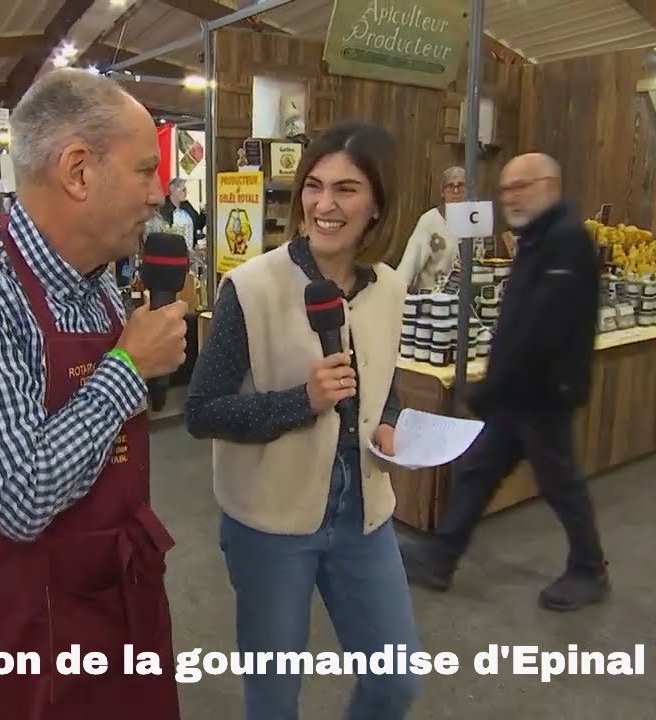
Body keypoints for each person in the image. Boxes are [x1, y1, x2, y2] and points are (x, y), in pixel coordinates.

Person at [0, 68, 186, 719]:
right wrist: (129, 368)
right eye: (144, 170)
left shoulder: (100, 287)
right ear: (78, 170)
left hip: (120, 601)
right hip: (25, 624)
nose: (158, 193)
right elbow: (20, 497)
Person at [184, 120, 419, 720]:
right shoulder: (252, 288)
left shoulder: (389, 288)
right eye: (314, 186)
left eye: (346, 189)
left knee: (395, 681)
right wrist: (300, 401)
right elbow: (202, 411)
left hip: (363, 514)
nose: (324, 204)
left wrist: (387, 423)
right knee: (274, 698)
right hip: (269, 523)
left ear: (377, 206)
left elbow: (380, 388)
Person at [401, 153, 610, 612]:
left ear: (550, 186)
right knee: (479, 472)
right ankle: (440, 558)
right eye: (507, 188)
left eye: (522, 186)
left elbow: (543, 328)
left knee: (560, 482)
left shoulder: (566, 243)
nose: (510, 196)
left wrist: (492, 387)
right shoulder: (537, 239)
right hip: (518, 391)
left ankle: (589, 568)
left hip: (543, 392)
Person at [396, 165, 465, 292]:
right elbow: (409, 263)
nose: (456, 192)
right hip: (432, 300)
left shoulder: (475, 221)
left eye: (461, 186)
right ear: (442, 192)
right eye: (450, 186)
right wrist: (395, 295)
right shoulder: (430, 220)